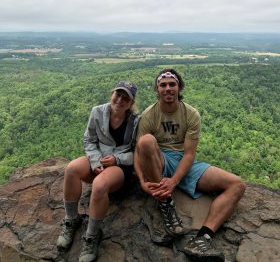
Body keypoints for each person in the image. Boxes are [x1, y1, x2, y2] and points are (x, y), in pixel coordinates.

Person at [134, 69, 246, 262]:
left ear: (179, 87)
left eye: (172, 84)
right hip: (159, 159)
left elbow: (189, 154)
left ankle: (202, 239)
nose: (168, 88)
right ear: (157, 89)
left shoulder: (191, 114)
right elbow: (139, 151)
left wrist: (175, 181)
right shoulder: (149, 115)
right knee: (146, 142)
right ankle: (165, 203)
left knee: (237, 184)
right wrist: (143, 181)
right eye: (163, 85)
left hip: (184, 161)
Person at [56, 81, 139, 262]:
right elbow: (89, 140)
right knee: (71, 169)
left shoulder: (136, 122)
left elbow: (137, 152)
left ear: (131, 103)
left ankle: (92, 235)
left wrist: (117, 159)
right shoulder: (98, 112)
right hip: (98, 161)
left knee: (99, 185)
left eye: (126, 98)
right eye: (118, 94)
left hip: (120, 168)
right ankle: (71, 219)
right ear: (112, 94)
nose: (120, 100)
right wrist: (95, 161)